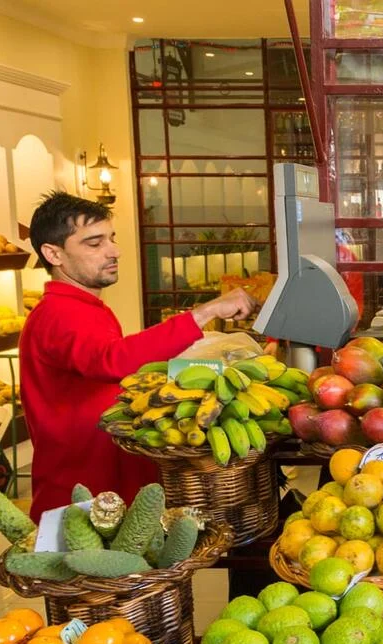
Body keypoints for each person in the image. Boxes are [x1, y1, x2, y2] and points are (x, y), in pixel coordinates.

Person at [20, 191, 255, 515]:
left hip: (109, 489)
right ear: (53, 254)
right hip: (83, 500)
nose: (114, 251)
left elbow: (120, 373)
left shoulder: (83, 308)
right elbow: (112, 360)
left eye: (111, 239)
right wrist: (203, 313)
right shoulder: (60, 314)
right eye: (94, 243)